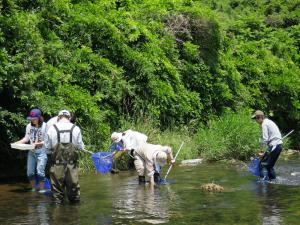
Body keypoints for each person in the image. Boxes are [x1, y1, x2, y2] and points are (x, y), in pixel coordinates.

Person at [44, 110, 84, 204]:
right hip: (71, 166)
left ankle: (58, 215)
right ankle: (74, 214)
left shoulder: (51, 129)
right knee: (74, 195)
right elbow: (80, 147)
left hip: (56, 165)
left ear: (58, 117)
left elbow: (47, 148)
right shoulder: (76, 128)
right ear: (69, 118)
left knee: (57, 195)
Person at [14, 108, 48, 193]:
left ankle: (42, 189)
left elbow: (48, 141)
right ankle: (34, 188)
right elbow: (26, 138)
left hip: (42, 152)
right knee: (30, 173)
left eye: (34, 119)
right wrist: (16, 143)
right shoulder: (29, 126)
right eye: (31, 119)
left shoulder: (45, 126)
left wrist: (37, 144)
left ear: (39, 118)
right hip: (31, 152)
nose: (32, 121)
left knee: (40, 172)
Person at [252, 110, 283, 181]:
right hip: (277, 145)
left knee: (263, 164)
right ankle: (273, 181)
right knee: (269, 166)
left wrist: (262, 151)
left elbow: (265, 139)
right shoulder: (269, 122)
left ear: (259, 117)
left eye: (255, 118)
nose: (255, 121)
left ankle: (262, 182)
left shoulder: (264, 124)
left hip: (275, 146)